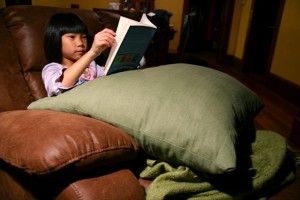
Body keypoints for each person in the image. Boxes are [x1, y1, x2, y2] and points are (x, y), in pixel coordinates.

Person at [42, 12, 116, 96]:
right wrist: (92, 53)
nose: (80, 43)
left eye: (83, 37)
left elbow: (111, 79)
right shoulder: (52, 69)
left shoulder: (92, 66)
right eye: (72, 37)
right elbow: (58, 88)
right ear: (56, 40)